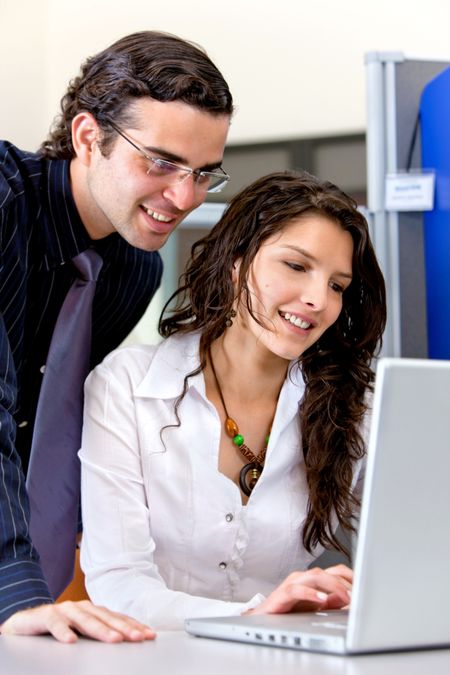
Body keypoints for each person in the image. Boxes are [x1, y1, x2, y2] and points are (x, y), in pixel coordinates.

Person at [0, 30, 233, 641]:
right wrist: (14, 593)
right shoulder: (2, 205)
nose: (183, 197)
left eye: (204, 173)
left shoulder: (133, 268)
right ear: (87, 137)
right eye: (160, 163)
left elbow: (46, 419)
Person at [79, 170, 387, 629]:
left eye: (337, 285)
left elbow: (413, 550)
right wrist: (253, 614)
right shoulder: (126, 386)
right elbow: (119, 586)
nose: (317, 299)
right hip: (150, 660)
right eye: (297, 266)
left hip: (284, 661)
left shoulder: (354, 409)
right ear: (236, 262)